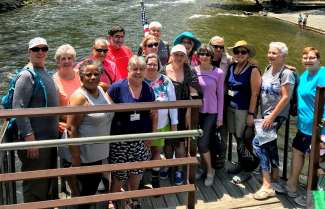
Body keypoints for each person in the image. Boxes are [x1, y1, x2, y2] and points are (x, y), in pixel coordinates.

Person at [12, 37, 59, 203]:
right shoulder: (26, 75)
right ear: (29, 52)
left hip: (49, 139)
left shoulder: (44, 72)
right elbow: (18, 108)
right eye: (35, 49)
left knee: (46, 181)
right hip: (36, 140)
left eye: (43, 49)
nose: (40, 52)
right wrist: (29, 138)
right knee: (35, 184)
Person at [108, 55, 157, 209]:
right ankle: (113, 200)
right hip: (120, 140)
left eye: (141, 69)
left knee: (137, 172)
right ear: (128, 69)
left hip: (141, 139)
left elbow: (153, 114)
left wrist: (152, 135)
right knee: (119, 174)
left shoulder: (148, 89)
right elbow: (107, 111)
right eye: (134, 69)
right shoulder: (117, 88)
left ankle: (132, 198)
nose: (138, 72)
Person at [67, 60, 114, 209]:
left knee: (91, 187)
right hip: (84, 153)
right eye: (88, 75)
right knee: (88, 189)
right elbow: (71, 128)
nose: (93, 77)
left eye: (96, 74)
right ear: (81, 78)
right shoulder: (79, 98)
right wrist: (76, 158)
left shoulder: (102, 88)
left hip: (99, 150)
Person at [253, 42, 295, 200]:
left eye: (274, 53)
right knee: (269, 145)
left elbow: (285, 97)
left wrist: (271, 117)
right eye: (269, 52)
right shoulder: (268, 68)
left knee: (258, 144)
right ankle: (275, 176)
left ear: (283, 56)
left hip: (275, 116)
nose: (270, 55)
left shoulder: (286, 73)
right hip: (265, 114)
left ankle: (267, 185)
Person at [286, 47, 325, 206]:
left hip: (319, 130)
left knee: (317, 166)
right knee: (297, 152)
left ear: (319, 59)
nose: (308, 60)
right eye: (305, 58)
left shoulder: (322, 75)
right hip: (304, 127)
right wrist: (292, 71)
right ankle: (292, 186)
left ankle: (316, 202)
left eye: (311, 58)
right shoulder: (305, 74)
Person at [161, 44, 202, 185]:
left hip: (183, 111)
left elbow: (195, 90)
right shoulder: (163, 70)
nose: (178, 57)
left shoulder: (189, 70)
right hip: (166, 111)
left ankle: (178, 169)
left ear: (185, 57)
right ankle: (166, 165)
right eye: (176, 54)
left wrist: (190, 105)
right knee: (167, 142)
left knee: (180, 143)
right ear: (171, 55)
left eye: (181, 55)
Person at [225, 40, 261, 180]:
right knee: (236, 137)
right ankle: (242, 163)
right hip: (231, 108)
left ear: (248, 54)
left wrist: (251, 114)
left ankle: (249, 169)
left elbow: (255, 94)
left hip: (244, 110)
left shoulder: (253, 70)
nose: (239, 54)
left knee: (245, 139)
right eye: (237, 51)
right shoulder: (232, 66)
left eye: (243, 52)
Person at [144, 53, 178, 188]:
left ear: (159, 66)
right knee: (144, 152)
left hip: (162, 124)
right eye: (149, 64)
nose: (152, 66)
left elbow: (173, 103)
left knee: (157, 151)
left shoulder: (165, 80)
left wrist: (174, 125)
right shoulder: (139, 79)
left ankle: (155, 178)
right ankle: (140, 178)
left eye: (155, 64)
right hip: (143, 125)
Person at [52, 44, 81, 196]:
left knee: (85, 158)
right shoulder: (54, 81)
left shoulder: (81, 74)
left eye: (70, 58)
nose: (67, 61)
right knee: (69, 161)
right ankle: (74, 191)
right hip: (66, 126)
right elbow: (51, 108)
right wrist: (58, 122)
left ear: (74, 60)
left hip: (83, 124)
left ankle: (85, 186)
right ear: (58, 62)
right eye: (63, 59)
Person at [194, 44, 224, 186]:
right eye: (201, 54)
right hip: (196, 111)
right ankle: (202, 167)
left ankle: (210, 171)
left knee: (203, 143)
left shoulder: (218, 72)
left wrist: (220, 117)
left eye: (207, 54)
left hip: (211, 112)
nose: (204, 57)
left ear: (211, 56)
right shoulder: (194, 71)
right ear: (198, 56)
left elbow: (221, 96)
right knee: (196, 142)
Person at [208, 35, 233, 169]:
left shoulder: (228, 60)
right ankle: (206, 162)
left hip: (222, 101)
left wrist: (281, 66)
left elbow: (244, 61)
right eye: (215, 46)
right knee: (207, 132)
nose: (218, 49)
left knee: (222, 132)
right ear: (209, 45)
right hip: (207, 101)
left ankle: (220, 162)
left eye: (221, 47)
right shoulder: (203, 56)